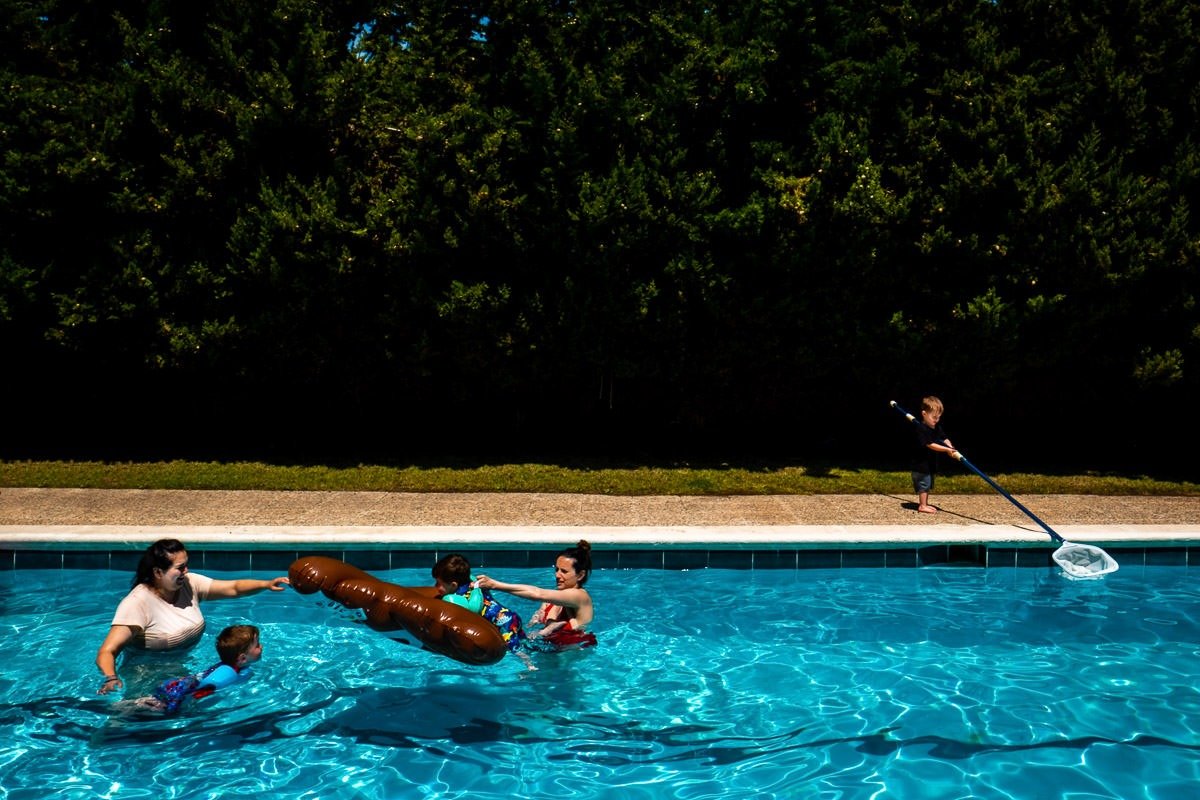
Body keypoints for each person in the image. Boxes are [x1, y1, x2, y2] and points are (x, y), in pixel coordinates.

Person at [96, 538, 290, 695]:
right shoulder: (137, 603)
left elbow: (233, 588)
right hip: (144, 679)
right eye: (180, 567)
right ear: (157, 572)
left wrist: (265, 584)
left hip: (180, 672)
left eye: (186, 565)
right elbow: (107, 651)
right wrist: (111, 678)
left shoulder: (189, 584)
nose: (186, 571)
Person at [475, 540, 596, 650]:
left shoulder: (580, 597)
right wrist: (537, 618)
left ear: (580, 575)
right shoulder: (553, 598)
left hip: (570, 660)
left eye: (564, 571)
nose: (557, 575)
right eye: (557, 569)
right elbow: (536, 621)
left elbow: (538, 594)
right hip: (548, 651)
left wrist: (495, 585)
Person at [432, 553, 532, 667]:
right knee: (525, 641)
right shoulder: (475, 584)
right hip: (511, 617)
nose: (435, 586)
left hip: (503, 625)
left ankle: (529, 664)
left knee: (516, 650)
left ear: (454, 585)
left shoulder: (460, 600)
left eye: (438, 583)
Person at [139, 624, 263, 714]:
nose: (261, 647)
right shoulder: (227, 674)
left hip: (176, 689)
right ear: (242, 659)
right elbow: (198, 693)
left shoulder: (230, 666)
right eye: (257, 645)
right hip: (171, 699)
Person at [910, 395, 958, 514]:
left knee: (928, 483)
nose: (936, 420)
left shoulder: (936, 427)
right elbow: (930, 444)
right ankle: (922, 506)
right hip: (920, 464)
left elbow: (944, 438)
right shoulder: (921, 429)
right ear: (924, 414)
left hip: (929, 463)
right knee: (924, 484)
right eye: (934, 417)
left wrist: (950, 446)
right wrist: (946, 450)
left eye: (939, 417)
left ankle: (924, 503)